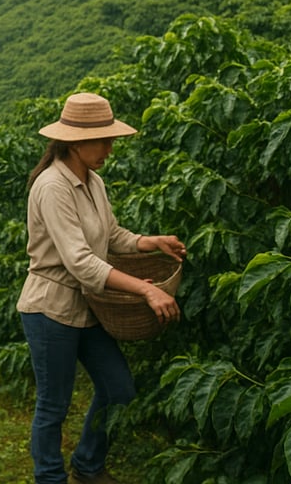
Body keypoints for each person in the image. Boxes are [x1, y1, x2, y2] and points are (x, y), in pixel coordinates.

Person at [16, 92, 186, 484]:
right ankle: (51, 478)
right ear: (75, 141)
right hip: (50, 309)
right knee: (53, 405)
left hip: (89, 307)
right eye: (104, 140)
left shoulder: (93, 182)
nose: (110, 148)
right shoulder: (52, 186)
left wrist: (150, 241)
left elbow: (111, 236)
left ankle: (88, 464)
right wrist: (145, 290)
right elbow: (80, 261)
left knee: (119, 388)